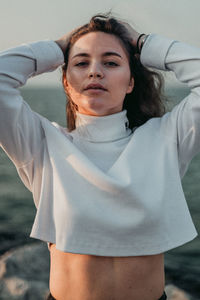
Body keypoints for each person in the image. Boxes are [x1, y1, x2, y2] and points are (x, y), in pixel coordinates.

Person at [0, 12, 199, 300]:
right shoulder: (42, 144)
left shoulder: (167, 138)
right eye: (81, 62)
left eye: (111, 62)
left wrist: (144, 43)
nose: (95, 71)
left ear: (131, 82)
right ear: (66, 83)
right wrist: (57, 47)